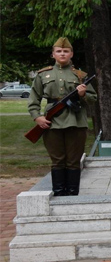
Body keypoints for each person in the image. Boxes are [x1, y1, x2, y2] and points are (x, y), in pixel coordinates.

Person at [28, 37, 97, 196]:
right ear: (53, 54)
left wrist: (83, 94)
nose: (62, 54)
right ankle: (58, 193)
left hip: (76, 122)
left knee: (73, 161)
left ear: (71, 54)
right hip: (52, 122)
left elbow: (93, 99)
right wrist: (37, 117)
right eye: (59, 51)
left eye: (66, 51)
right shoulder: (42, 75)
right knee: (57, 160)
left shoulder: (80, 75)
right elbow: (34, 99)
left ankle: (72, 195)